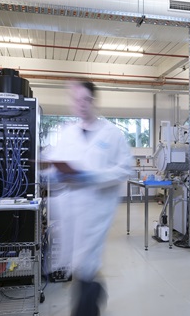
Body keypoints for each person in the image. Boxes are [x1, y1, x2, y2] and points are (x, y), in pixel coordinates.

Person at [42, 79, 132, 316]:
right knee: (80, 265)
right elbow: (53, 166)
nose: (80, 104)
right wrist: (50, 172)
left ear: (93, 101)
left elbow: (125, 169)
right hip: (70, 210)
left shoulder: (112, 134)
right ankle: (93, 294)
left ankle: (88, 305)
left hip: (96, 209)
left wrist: (91, 176)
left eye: (85, 99)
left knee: (86, 264)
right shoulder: (67, 133)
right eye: (76, 100)